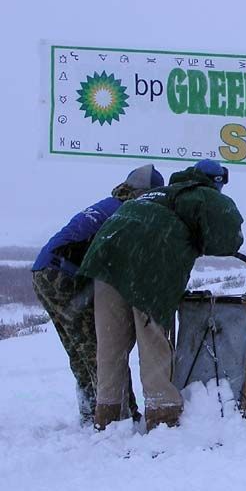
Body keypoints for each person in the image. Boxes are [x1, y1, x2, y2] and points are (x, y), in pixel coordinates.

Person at [79, 159, 244, 432]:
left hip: (105, 254)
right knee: (153, 340)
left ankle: (108, 415)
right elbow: (228, 237)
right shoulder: (202, 194)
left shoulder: (161, 195)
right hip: (148, 261)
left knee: (111, 344)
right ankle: (162, 416)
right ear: (216, 182)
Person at [31, 164, 164, 426]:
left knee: (78, 348)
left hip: (43, 272)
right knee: (103, 347)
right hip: (65, 275)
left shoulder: (109, 204)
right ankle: (119, 415)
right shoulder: (128, 212)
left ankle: (90, 410)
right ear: (146, 194)